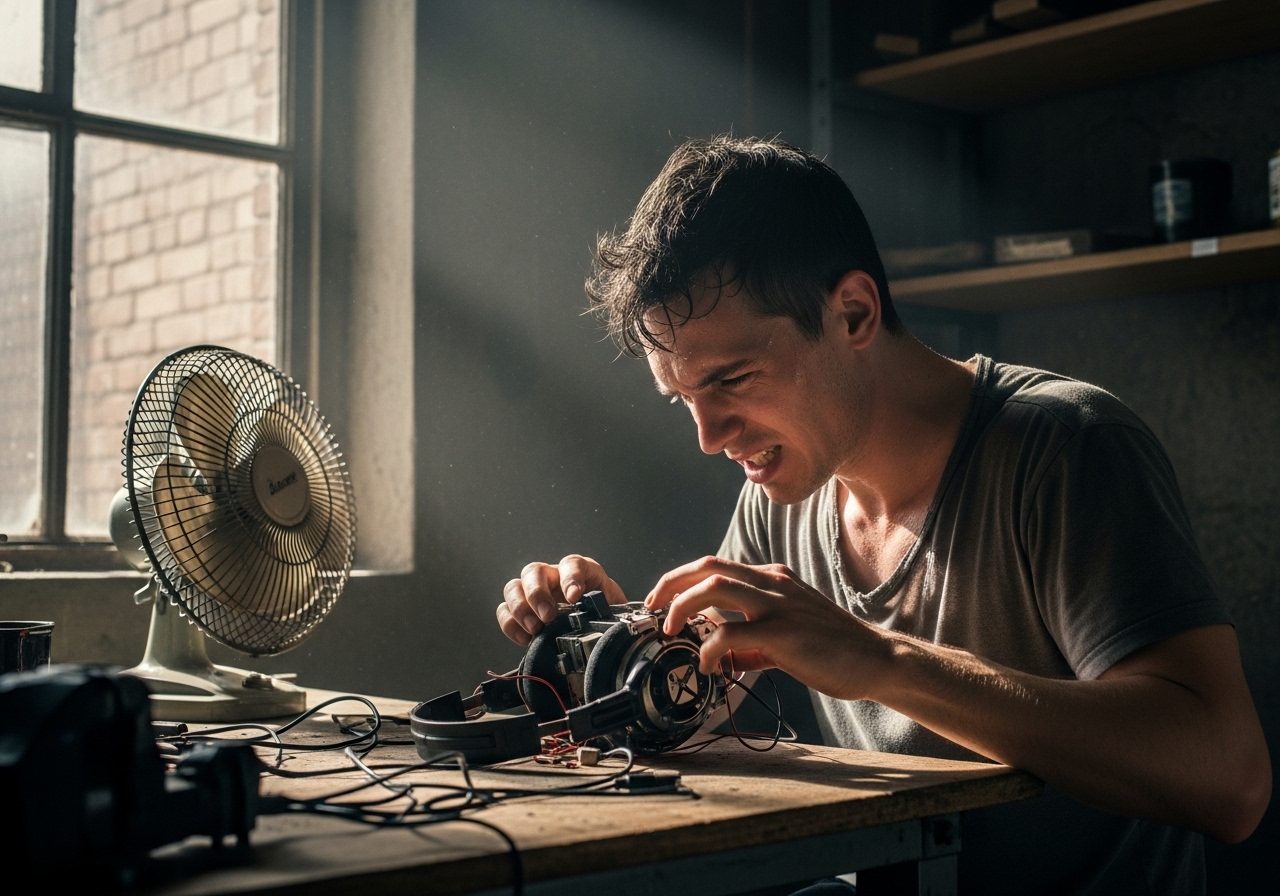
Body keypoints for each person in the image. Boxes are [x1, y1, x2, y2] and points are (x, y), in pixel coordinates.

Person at [494, 136, 1270, 893]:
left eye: (733, 379)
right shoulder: (778, 492)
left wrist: (880, 661)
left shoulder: (1066, 448)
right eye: (684, 400)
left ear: (855, 313)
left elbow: (1229, 782)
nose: (709, 437)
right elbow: (709, 712)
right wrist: (612, 647)